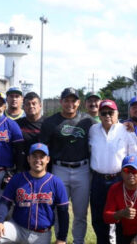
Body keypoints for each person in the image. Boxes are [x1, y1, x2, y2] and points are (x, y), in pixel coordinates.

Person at [40, 87, 94, 244]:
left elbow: (106, 128)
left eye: (73, 100)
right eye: (67, 100)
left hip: (82, 169)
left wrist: (126, 125)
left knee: (80, 212)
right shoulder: (50, 122)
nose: (70, 103)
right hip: (59, 168)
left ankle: (79, 241)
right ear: (61, 101)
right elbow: (43, 149)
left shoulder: (87, 120)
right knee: (59, 210)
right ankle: (60, 239)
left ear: (79, 102)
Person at [0, 143, 71, 244]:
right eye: (34, 156)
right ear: (28, 159)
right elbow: (5, 202)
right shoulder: (18, 179)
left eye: (42, 157)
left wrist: (62, 238)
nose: (38, 160)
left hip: (41, 234)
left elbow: (63, 212)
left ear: (48, 159)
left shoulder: (56, 182)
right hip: (17, 228)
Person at [89, 100, 137, 244]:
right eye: (103, 113)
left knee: (121, 218)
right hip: (98, 180)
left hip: (119, 179)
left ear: (117, 113)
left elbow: (134, 156)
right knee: (99, 219)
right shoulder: (93, 130)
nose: (107, 116)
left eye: (111, 112)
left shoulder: (126, 130)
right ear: (99, 114)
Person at [14, 92, 47, 172]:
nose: (31, 106)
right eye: (28, 104)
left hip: (43, 170)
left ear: (40, 105)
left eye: (34, 103)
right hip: (22, 170)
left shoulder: (48, 123)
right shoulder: (15, 124)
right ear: (24, 107)